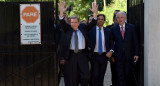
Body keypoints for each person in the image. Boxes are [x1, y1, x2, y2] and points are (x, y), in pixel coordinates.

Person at [58, 1, 98, 86]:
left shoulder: (83, 27)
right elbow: (62, 22)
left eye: (75, 22)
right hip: (71, 55)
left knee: (86, 76)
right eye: (71, 22)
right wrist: (61, 12)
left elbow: (93, 23)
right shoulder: (68, 29)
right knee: (72, 77)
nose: (73, 24)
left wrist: (95, 14)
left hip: (82, 55)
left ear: (79, 23)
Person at [111, 11, 139, 86]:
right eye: (118, 18)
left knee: (127, 74)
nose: (120, 19)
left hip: (129, 55)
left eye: (122, 17)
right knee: (120, 75)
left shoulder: (131, 27)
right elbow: (111, 43)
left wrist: (136, 53)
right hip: (118, 56)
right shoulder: (113, 29)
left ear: (125, 18)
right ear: (116, 19)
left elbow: (135, 41)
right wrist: (112, 55)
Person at [89, 13, 114, 86]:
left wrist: (111, 51)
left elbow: (111, 43)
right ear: (96, 20)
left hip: (104, 56)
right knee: (95, 74)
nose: (100, 21)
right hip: (94, 56)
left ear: (104, 21)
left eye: (102, 19)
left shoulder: (108, 31)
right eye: (99, 19)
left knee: (101, 75)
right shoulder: (91, 31)